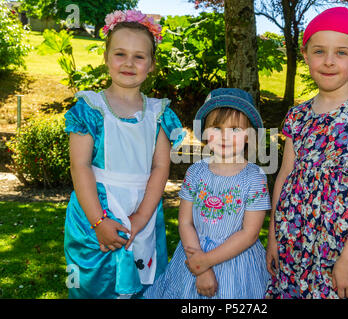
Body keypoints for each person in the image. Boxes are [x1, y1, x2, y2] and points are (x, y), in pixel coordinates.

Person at [265, 7, 348, 299]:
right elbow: (285, 175)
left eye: (342, 52)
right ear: (306, 55)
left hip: (344, 242)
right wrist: (273, 235)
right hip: (293, 236)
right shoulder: (296, 116)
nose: (329, 61)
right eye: (319, 51)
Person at [63, 9, 185, 299]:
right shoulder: (89, 110)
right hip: (95, 211)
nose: (129, 63)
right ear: (106, 57)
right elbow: (79, 166)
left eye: (139, 56)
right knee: (92, 286)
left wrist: (141, 217)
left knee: (144, 285)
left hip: (142, 210)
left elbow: (160, 169)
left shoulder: (159, 114)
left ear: (151, 65)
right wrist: (98, 221)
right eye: (120, 54)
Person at [145, 88, 271, 299]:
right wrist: (200, 267)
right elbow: (185, 222)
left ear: (249, 136)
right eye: (216, 127)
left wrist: (207, 261)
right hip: (193, 255)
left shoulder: (255, 177)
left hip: (236, 263)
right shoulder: (196, 172)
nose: (225, 136)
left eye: (235, 129)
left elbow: (249, 234)